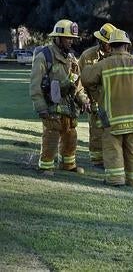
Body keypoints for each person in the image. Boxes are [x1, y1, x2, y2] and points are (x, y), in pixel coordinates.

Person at [81, 29, 133, 187]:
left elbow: (86, 78)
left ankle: (115, 180)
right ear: (127, 46)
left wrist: (98, 95)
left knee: (113, 149)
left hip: (112, 118)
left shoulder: (104, 65)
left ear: (111, 45)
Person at [30, 19, 91, 176]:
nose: (71, 41)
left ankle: (68, 165)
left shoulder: (71, 58)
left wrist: (84, 100)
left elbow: (78, 85)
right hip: (51, 107)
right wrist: (41, 107)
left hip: (69, 108)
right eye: (68, 38)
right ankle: (46, 166)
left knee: (71, 136)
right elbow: (35, 85)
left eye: (72, 38)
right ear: (57, 38)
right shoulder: (45, 56)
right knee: (51, 136)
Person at [78, 23, 116, 168]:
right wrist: (84, 100)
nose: (111, 46)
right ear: (100, 41)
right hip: (94, 101)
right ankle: (97, 161)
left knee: (113, 134)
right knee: (96, 133)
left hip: (113, 103)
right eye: (108, 43)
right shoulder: (88, 56)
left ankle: (112, 159)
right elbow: (79, 81)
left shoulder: (117, 56)